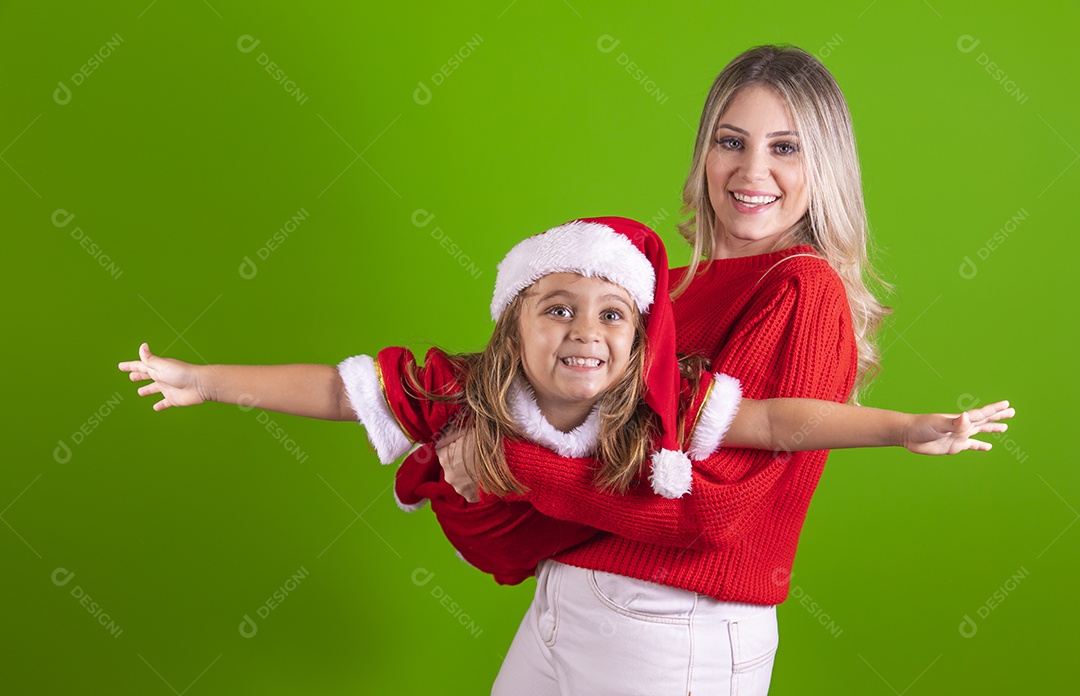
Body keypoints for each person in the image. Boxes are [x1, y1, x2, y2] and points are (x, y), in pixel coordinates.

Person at [432, 45, 963, 695]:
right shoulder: (654, 292)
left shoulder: (800, 287)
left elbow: (705, 509)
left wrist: (509, 462)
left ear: (824, 168)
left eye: (786, 149)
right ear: (705, 155)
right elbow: (552, 418)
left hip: (670, 628)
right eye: (731, 141)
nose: (752, 170)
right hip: (564, 601)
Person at [118, 217, 1010, 596]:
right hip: (544, 590)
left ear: (639, 338)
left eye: (612, 314)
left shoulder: (667, 401)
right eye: (558, 309)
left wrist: (907, 428)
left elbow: (780, 420)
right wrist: (205, 379)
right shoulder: (475, 385)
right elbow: (342, 389)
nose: (585, 333)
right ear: (515, 326)